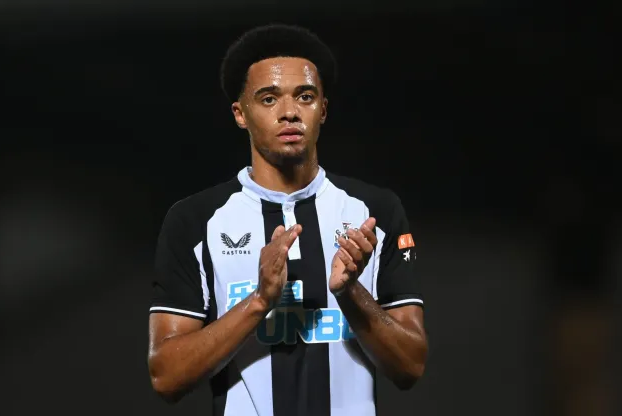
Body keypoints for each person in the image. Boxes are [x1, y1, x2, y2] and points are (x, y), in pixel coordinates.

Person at [147, 24, 427, 416]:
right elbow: (166, 376)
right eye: (268, 98)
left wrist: (351, 295)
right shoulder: (195, 221)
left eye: (305, 96)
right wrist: (260, 300)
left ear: (323, 110)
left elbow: (410, 366)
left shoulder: (372, 212)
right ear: (240, 113)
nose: (290, 111)